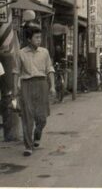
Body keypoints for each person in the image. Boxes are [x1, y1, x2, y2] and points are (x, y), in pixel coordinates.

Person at [13, 26, 56, 157]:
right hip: (26, 85)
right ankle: (28, 146)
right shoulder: (21, 53)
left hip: (42, 84)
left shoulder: (45, 52)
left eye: (40, 37)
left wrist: (52, 86)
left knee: (42, 117)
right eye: (36, 37)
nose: (39, 40)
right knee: (27, 116)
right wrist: (16, 88)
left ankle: (37, 134)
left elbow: (50, 69)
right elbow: (16, 72)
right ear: (29, 39)